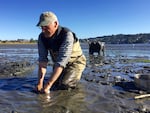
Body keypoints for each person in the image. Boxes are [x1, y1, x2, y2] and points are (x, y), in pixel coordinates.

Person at [36, 11, 86, 94]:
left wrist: (48, 85)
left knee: (64, 85)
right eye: (41, 27)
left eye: (46, 26)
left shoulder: (67, 35)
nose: (43, 30)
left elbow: (61, 61)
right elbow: (42, 61)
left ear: (55, 24)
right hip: (58, 64)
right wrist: (39, 83)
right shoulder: (41, 37)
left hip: (75, 62)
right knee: (55, 84)